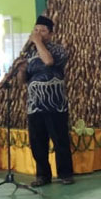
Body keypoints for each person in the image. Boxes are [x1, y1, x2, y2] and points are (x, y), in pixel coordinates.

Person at [16, 15, 74, 186]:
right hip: (35, 106)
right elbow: (22, 81)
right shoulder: (29, 53)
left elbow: (48, 61)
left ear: (50, 34)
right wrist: (21, 70)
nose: (38, 33)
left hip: (56, 104)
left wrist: (38, 42)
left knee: (60, 140)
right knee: (38, 142)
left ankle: (65, 174)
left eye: (42, 31)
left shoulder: (58, 50)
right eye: (36, 30)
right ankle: (43, 175)